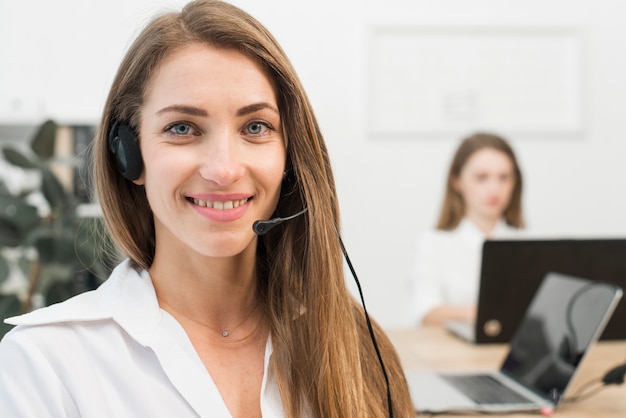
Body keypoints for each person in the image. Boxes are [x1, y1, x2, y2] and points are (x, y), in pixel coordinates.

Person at [0, 1, 415, 417]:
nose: (224, 169)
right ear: (129, 155)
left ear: (288, 155)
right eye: (182, 128)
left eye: (256, 127)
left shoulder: (354, 344)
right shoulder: (47, 363)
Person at [409, 132, 525, 327]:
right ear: (457, 181)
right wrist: (492, 312)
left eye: (504, 177)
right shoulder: (432, 243)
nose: (494, 188)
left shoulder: (525, 245)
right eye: (481, 178)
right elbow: (426, 312)